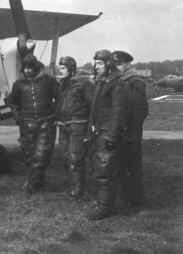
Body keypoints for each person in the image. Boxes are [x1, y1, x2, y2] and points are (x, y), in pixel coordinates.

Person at [6, 53, 59, 194]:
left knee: (42, 154)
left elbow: (59, 98)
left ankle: (32, 184)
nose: (27, 71)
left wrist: (53, 114)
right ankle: (38, 181)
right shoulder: (18, 84)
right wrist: (18, 116)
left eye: (30, 68)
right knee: (29, 155)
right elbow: (13, 102)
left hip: (46, 123)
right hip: (27, 124)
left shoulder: (48, 80)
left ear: (36, 67)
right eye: (25, 68)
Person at [87, 49, 128, 220]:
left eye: (100, 63)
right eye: (95, 63)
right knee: (100, 168)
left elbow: (118, 111)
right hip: (99, 131)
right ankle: (103, 202)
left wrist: (111, 136)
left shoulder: (117, 83)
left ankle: (104, 207)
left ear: (108, 64)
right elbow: (95, 109)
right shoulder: (101, 81)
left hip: (107, 132)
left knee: (105, 170)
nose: (96, 67)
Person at [112, 50, 149, 207]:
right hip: (119, 129)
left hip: (130, 131)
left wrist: (129, 128)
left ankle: (135, 198)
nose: (116, 67)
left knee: (132, 165)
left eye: (119, 64)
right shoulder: (118, 80)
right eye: (114, 64)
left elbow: (140, 109)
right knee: (119, 164)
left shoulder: (135, 81)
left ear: (127, 65)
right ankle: (124, 196)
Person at [55, 56, 94, 199]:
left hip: (77, 125)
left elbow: (92, 106)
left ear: (71, 69)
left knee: (75, 158)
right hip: (63, 124)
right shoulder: (61, 85)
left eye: (63, 67)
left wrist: (90, 126)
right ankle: (72, 185)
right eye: (60, 67)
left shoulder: (83, 84)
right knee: (65, 156)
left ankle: (78, 189)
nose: (60, 70)